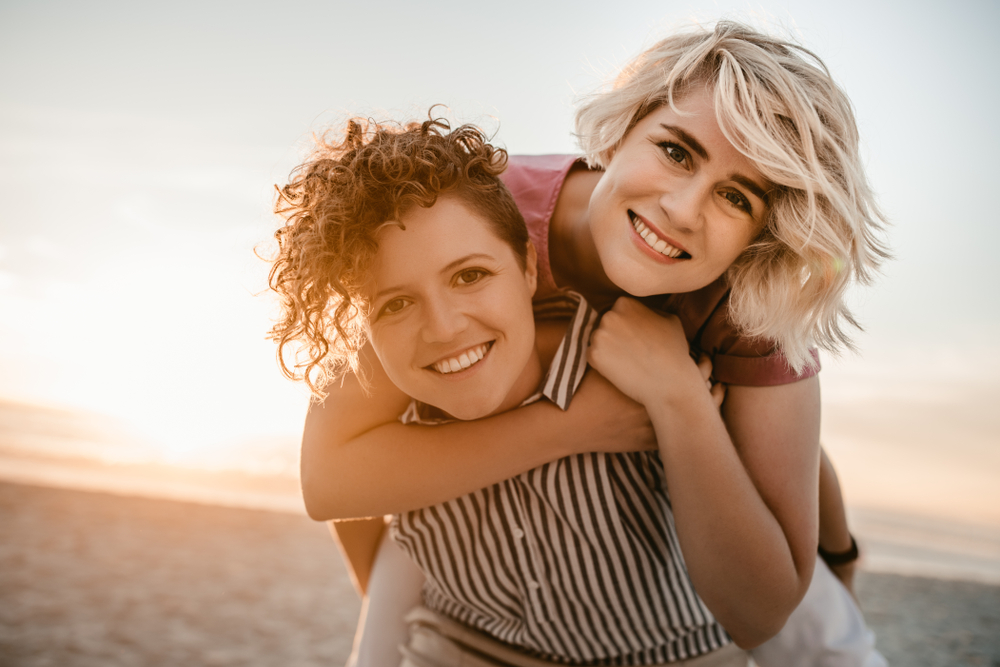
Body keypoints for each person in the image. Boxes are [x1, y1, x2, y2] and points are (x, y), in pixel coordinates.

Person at [269, 19, 889, 664]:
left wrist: (679, 395)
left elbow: (795, 464)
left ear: (760, 234)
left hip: (710, 507)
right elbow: (334, 473)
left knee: (818, 618)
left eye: (736, 196)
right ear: (620, 132)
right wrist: (576, 425)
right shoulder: (464, 228)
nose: (681, 209)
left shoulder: (748, 297)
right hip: (460, 547)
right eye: (676, 152)